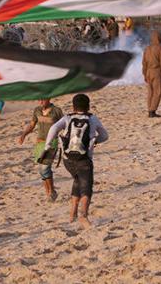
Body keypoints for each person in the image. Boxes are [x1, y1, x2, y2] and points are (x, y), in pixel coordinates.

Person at [45, 94, 108, 228]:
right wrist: (95, 140)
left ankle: (72, 214)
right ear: (88, 106)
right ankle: (83, 216)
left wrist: (48, 145)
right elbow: (104, 135)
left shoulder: (67, 118)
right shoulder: (92, 119)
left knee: (77, 180)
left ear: (73, 107)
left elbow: (53, 129)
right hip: (84, 159)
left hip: (67, 160)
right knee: (86, 187)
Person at [19, 99, 64, 201]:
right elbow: (32, 125)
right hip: (39, 143)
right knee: (42, 170)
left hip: (52, 143)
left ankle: (52, 191)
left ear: (49, 98)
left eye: (43, 99)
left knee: (45, 168)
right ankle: (48, 193)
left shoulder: (57, 111)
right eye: (39, 100)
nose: (41, 102)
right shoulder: (37, 110)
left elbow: (64, 125)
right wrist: (24, 134)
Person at [142, 30, 161, 118]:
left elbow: (144, 63)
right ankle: (152, 111)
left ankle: (150, 109)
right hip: (156, 71)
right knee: (157, 92)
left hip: (148, 72)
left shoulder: (147, 48)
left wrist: (144, 74)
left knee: (150, 92)